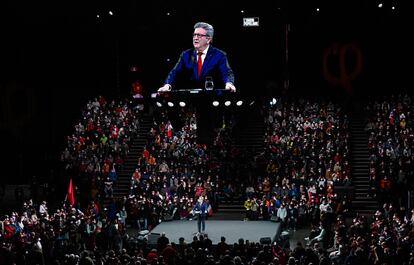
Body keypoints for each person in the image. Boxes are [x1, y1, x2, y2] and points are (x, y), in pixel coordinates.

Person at [158, 22, 236, 93]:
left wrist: (229, 83)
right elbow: (174, 72)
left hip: (212, 98)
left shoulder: (219, 55)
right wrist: (167, 85)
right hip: (190, 99)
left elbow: (226, 72)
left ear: (208, 39)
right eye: (194, 35)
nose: (195, 38)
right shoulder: (185, 55)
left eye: (199, 35)